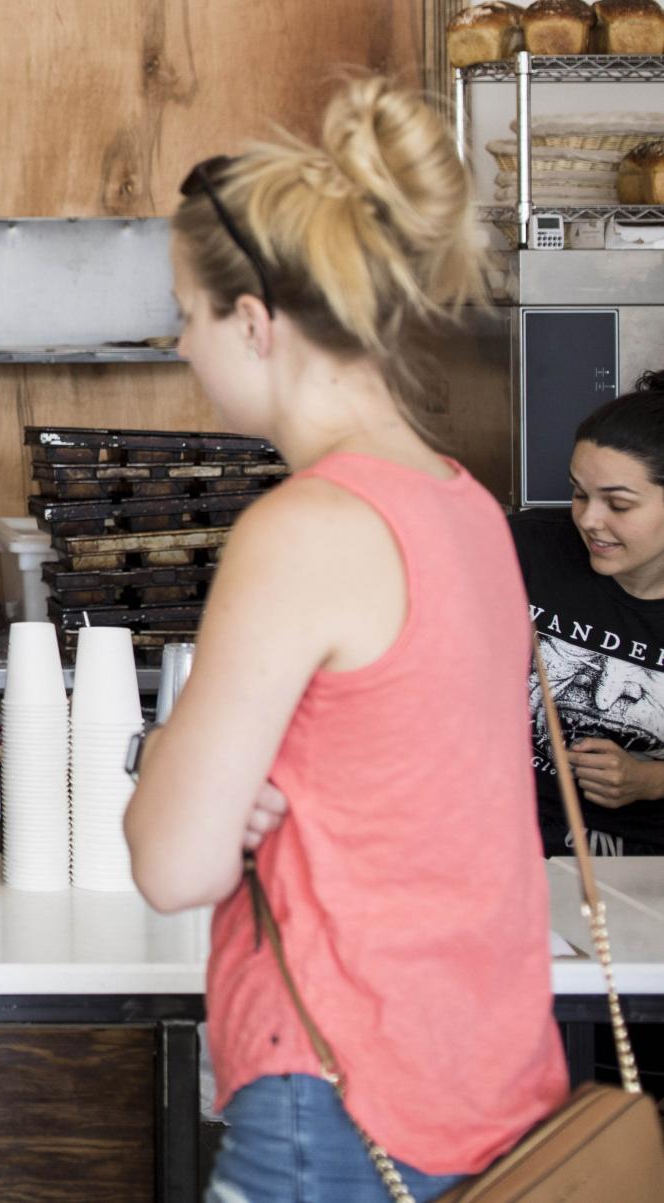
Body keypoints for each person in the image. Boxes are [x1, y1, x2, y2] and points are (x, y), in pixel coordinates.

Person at [122, 77, 565, 1201]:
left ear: (255, 324)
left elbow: (172, 864)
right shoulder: (467, 509)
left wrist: (185, 764)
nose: (179, 345)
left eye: (186, 313)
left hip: (336, 1107)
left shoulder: (304, 529)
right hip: (494, 1092)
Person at [516, 371, 664, 856]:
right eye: (579, 493)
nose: (587, 519)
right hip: (503, 841)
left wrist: (650, 779)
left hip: (644, 873)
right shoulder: (525, 550)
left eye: (618, 504)